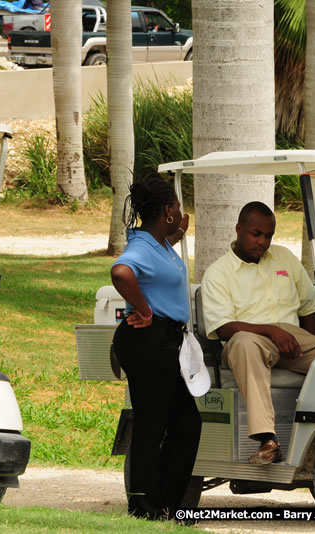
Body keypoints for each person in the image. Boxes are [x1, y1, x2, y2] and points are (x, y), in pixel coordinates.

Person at [200, 201, 315, 465]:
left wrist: (311, 346)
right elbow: (223, 328)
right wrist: (270, 330)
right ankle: (267, 439)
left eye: (268, 236)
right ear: (239, 229)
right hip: (246, 339)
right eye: (256, 234)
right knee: (244, 343)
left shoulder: (284, 258)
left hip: (291, 339)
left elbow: (309, 308)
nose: (263, 242)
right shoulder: (218, 273)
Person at [110, 177, 201, 520]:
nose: (180, 210)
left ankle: (163, 502)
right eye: (177, 206)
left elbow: (162, 253)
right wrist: (144, 309)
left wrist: (177, 232)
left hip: (165, 341)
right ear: (166, 211)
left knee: (184, 424)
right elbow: (121, 272)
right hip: (148, 339)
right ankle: (145, 505)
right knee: (154, 422)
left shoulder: (159, 243)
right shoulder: (143, 248)